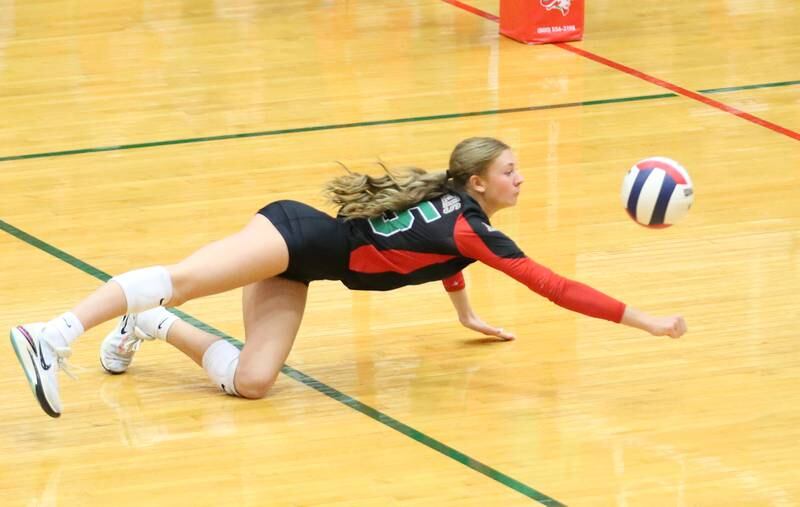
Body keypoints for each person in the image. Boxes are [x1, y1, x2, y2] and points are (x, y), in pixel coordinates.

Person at [10, 137, 687, 418]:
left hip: (307, 268)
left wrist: (464, 314)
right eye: (510, 170)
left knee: (253, 382)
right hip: (297, 234)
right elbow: (555, 287)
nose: (521, 178)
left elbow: (447, 257)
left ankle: (149, 324)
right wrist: (646, 319)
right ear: (479, 182)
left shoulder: (467, 225)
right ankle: (54, 333)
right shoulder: (471, 227)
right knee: (182, 275)